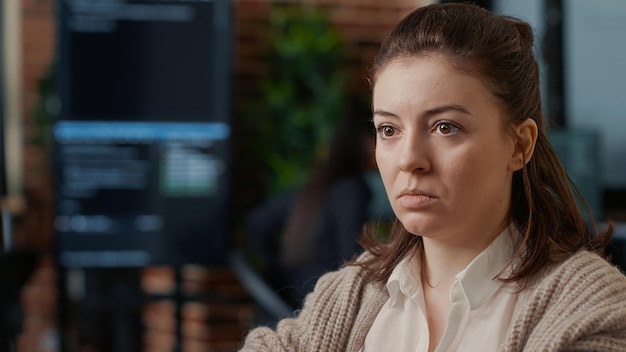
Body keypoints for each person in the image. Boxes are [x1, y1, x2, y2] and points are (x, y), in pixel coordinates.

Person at [238, 3, 626, 351]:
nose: (409, 160)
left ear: (519, 145)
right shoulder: (350, 295)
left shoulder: (590, 309)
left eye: (445, 127)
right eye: (389, 130)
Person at [245, 99, 391, 309]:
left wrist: (277, 268)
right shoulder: (352, 190)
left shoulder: (314, 189)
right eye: (386, 134)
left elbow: (256, 222)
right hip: (325, 302)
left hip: (293, 295)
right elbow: (352, 259)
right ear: (366, 140)